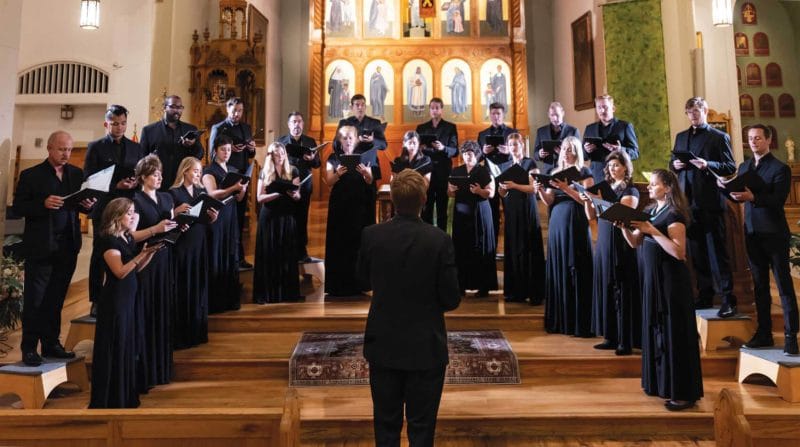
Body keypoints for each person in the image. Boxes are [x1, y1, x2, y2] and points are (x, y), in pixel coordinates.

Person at [357, 169, 461, 447]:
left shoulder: (371, 235)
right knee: (422, 429)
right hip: (425, 344)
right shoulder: (440, 240)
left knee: (386, 426)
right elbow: (451, 300)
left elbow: (362, 280)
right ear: (424, 199)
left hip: (384, 341)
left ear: (391, 199)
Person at [619, 169, 703, 411]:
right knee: (657, 331)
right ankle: (660, 384)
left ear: (667, 188)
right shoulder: (649, 211)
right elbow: (635, 243)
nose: (649, 188)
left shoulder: (674, 214)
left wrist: (653, 231)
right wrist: (624, 227)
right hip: (651, 279)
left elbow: (679, 252)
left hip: (671, 282)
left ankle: (683, 393)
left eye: (654, 184)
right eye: (650, 184)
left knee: (674, 333)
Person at [14, 131, 96, 366]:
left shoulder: (75, 174)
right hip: (41, 246)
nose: (65, 154)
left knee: (56, 299)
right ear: (49, 148)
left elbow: (82, 206)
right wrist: (42, 204)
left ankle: (51, 344)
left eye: (69, 149)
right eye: (61, 149)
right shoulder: (31, 175)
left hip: (67, 246)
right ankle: (29, 348)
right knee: (35, 300)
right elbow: (19, 207)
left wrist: (88, 206)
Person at [724, 125, 798, 355]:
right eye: (750, 139)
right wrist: (726, 190)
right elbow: (738, 195)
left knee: (784, 287)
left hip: (774, 233)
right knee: (760, 287)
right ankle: (764, 333)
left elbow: (777, 200)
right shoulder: (744, 166)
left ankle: (790, 337)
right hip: (752, 232)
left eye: (757, 138)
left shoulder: (780, 168)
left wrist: (753, 196)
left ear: (768, 139)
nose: (753, 142)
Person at [670, 97, 737, 317]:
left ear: (705, 111)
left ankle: (728, 299)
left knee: (717, 254)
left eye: (697, 111)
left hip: (710, 202)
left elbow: (729, 166)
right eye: (689, 112)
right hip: (687, 204)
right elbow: (673, 163)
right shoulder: (681, 137)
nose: (693, 115)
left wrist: (708, 164)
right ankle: (705, 295)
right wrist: (675, 165)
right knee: (697, 254)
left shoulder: (718, 137)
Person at [89, 198, 159, 409]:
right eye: (129, 213)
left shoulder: (126, 238)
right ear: (116, 216)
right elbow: (119, 272)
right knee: (116, 343)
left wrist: (149, 254)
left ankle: (125, 392)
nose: (133, 216)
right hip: (115, 299)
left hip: (130, 295)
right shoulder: (108, 240)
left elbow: (134, 270)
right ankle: (111, 397)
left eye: (133, 212)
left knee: (128, 342)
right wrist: (140, 257)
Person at [84, 105, 144, 314]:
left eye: (123, 123)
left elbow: (140, 173)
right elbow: (89, 179)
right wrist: (115, 186)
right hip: (104, 207)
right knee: (100, 252)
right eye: (115, 124)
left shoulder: (136, 147)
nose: (120, 127)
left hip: (127, 205)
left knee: (127, 248)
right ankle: (96, 299)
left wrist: (135, 181)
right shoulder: (96, 147)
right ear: (106, 124)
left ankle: (123, 293)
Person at [581, 151, 640, 355]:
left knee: (621, 289)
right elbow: (591, 216)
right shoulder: (605, 189)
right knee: (606, 287)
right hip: (605, 241)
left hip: (621, 241)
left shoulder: (630, 190)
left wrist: (599, 200)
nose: (612, 169)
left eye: (616, 165)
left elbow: (624, 214)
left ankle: (625, 339)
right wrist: (589, 201)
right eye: (610, 165)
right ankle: (610, 336)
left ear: (625, 167)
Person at [535, 136, 594, 337]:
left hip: (576, 220)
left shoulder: (584, 172)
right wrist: (541, 190)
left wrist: (566, 188)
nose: (567, 152)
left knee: (575, 264)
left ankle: (578, 322)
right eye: (564, 149)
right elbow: (550, 201)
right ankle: (559, 320)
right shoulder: (554, 172)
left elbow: (587, 199)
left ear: (577, 151)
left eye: (571, 149)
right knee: (559, 265)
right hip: (558, 221)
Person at [131, 155, 178, 390]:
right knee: (147, 311)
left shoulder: (167, 197)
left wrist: (179, 226)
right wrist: (155, 229)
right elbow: (131, 236)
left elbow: (170, 226)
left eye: (160, 174)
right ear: (142, 177)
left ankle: (161, 369)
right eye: (154, 174)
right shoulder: (135, 201)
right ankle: (146, 371)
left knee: (162, 310)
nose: (159, 177)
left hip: (165, 259)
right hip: (146, 262)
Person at [169, 157, 218, 350]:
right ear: (185, 171)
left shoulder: (201, 192)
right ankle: (182, 335)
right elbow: (167, 219)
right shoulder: (173, 193)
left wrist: (213, 218)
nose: (198, 174)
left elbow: (205, 218)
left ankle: (197, 331)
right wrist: (175, 211)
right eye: (195, 171)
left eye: (199, 171)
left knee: (198, 286)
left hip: (199, 242)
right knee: (183, 286)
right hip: (182, 245)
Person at [324, 126, 377, 297]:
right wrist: (338, 173)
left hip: (359, 206)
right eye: (344, 138)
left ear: (356, 140)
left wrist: (365, 173)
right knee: (340, 242)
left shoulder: (365, 157)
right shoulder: (333, 158)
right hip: (340, 207)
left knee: (358, 243)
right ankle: (338, 285)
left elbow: (370, 181)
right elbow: (329, 182)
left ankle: (359, 283)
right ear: (339, 140)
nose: (348, 141)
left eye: (351, 138)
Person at [497, 133, 545, 304]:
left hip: (527, 207)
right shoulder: (505, 165)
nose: (513, 147)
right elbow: (502, 192)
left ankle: (533, 292)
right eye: (510, 145)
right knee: (514, 247)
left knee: (528, 246)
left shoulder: (530, 163)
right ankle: (515, 291)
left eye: (516, 144)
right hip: (512, 208)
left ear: (522, 146)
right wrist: (502, 189)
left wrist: (515, 185)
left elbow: (534, 188)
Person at [209, 97, 256, 270]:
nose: (237, 114)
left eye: (240, 111)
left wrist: (251, 149)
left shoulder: (246, 128)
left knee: (238, 221)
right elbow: (211, 155)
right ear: (227, 110)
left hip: (241, 178)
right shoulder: (218, 128)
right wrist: (229, 150)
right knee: (225, 220)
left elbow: (250, 156)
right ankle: (225, 259)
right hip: (224, 179)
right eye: (234, 110)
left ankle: (240, 258)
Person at [202, 135, 247, 313]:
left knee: (230, 252)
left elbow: (239, 198)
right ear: (215, 151)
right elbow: (212, 193)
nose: (226, 153)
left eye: (229, 150)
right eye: (223, 150)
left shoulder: (233, 169)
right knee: (216, 253)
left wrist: (241, 190)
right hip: (216, 217)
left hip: (230, 216)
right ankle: (215, 301)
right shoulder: (209, 170)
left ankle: (229, 299)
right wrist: (233, 188)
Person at [253, 142, 303, 304]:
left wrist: (294, 195)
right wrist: (277, 193)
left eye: (282, 153)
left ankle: (287, 293)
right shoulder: (264, 172)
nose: (280, 156)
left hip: (286, 217)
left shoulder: (293, 170)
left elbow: (298, 196)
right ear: (270, 156)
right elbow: (259, 198)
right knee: (269, 253)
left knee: (286, 253)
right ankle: (268, 294)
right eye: (276, 153)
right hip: (269, 217)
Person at [448, 141, 497, 296]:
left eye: (470, 153)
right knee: (461, 247)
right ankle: (461, 284)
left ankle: (483, 287)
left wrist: (479, 191)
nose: (467, 156)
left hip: (479, 213)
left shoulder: (483, 171)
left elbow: (491, 193)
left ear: (475, 154)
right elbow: (449, 193)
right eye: (465, 153)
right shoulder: (457, 170)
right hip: (461, 213)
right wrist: (451, 189)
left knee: (479, 247)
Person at [277, 112, 321, 262]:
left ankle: (302, 251)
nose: (297, 124)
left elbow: (317, 165)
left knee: (302, 218)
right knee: (287, 217)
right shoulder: (281, 141)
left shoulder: (310, 141)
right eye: (294, 122)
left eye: (299, 121)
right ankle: (286, 250)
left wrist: (312, 159)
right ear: (289, 124)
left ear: (303, 124)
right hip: (287, 185)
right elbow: (275, 162)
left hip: (304, 184)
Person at [139, 95, 204, 191]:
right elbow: (142, 158)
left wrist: (192, 145)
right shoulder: (149, 130)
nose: (177, 110)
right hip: (158, 183)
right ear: (164, 108)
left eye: (180, 107)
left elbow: (199, 155)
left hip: (183, 183)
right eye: (173, 107)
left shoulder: (190, 129)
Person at [478, 102, 517, 245]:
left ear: (503, 115)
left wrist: (509, 152)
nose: (495, 116)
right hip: (490, 178)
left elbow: (519, 154)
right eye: (493, 114)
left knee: (510, 212)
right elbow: (478, 158)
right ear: (490, 115)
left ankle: (511, 245)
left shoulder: (512, 133)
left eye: (498, 114)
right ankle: (492, 246)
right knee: (492, 213)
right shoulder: (482, 134)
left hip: (507, 175)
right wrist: (483, 152)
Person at [417, 98, 459, 231]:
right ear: (429, 110)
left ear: (441, 110)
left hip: (443, 171)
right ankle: (427, 238)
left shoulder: (450, 127)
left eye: (437, 108)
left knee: (442, 207)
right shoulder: (421, 128)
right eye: (432, 108)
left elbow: (455, 150)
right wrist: (421, 148)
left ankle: (442, 239)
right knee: (426, 207)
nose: (434, 110)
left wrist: (443, 148)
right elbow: (415, 149)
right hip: (426, 172)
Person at [583, 95, 639, 183]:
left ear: (613, 108)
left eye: (605, 107)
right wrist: (586, 150)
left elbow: (635, 153)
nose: (602, 111)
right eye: (599, 107)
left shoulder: (625, 126)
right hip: (596, 176)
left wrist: (620, 150)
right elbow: (584, 156)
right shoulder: (590, 128)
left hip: (618, 177)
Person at [533, 101, 581, 174]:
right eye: (552, 115)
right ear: (548, 115)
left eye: (557, 115)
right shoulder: (541, 131)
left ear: (563, 113)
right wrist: (539, 154)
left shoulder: (573, 131)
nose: (555, 118)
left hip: (567, 171)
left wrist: (563, 153)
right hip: (548, 172)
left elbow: (578, 153)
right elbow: (535, 155)